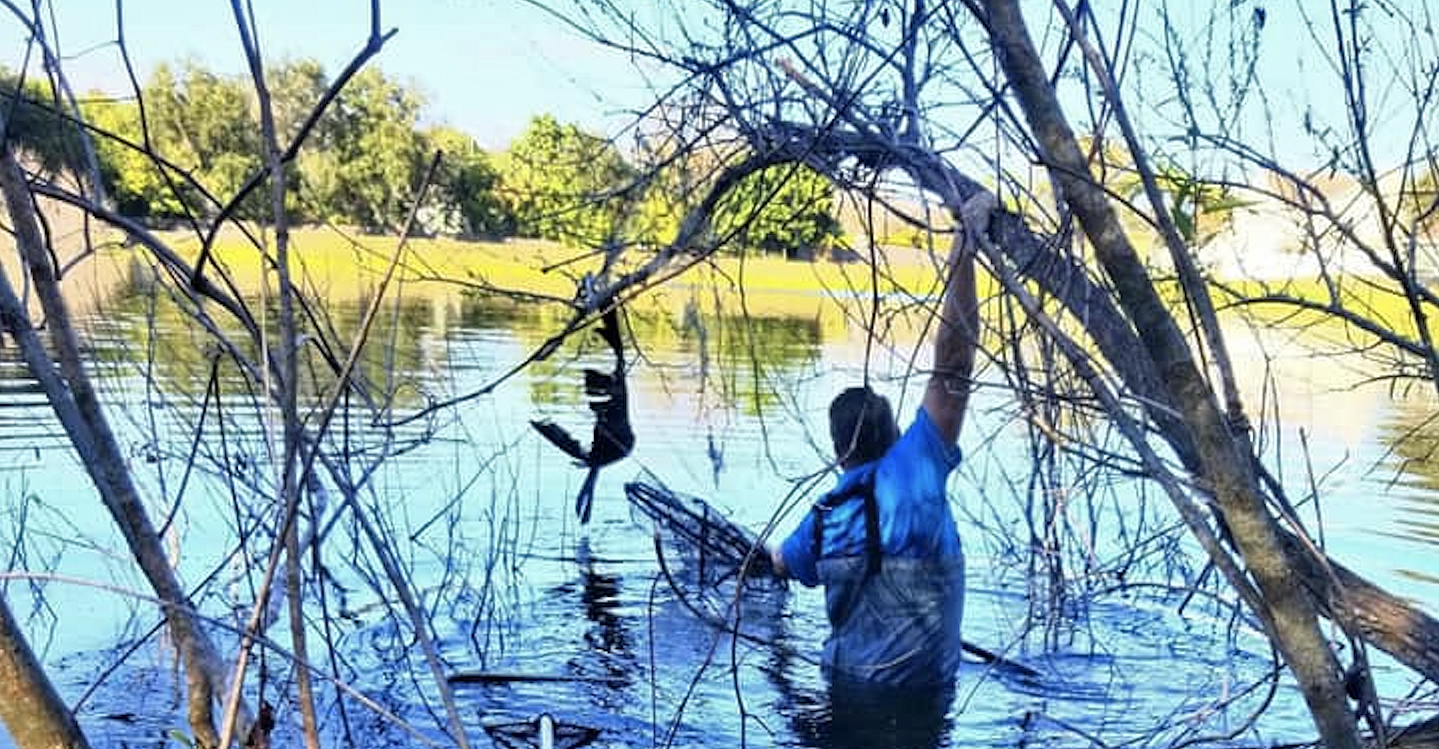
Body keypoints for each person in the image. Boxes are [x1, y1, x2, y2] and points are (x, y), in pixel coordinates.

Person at [771, 194, 988, 694]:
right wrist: (965, 244)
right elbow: (954, 360)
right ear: (894, 437)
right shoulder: (918, 466)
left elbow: (785, 561)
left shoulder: (824, 519)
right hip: (926, 699)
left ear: (838, 455)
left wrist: (774, 559)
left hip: (846, 698)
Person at [531, 306, 636, 524]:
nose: (588, 384)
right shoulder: (612, 393)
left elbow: (617, 363)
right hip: (618, 442)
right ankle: (585, 509)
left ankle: (585, 508)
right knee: (591, 463)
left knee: (591, 462)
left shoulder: (615, 390)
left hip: (621, 442)